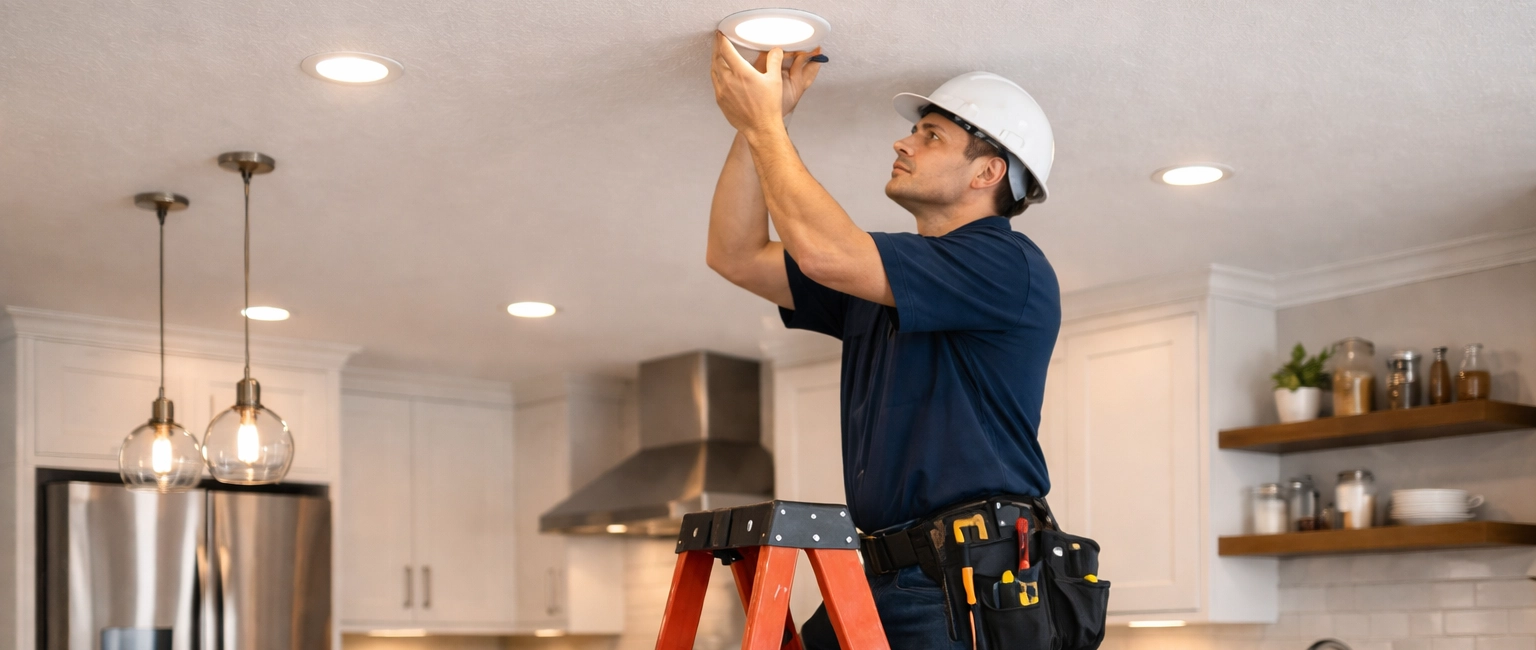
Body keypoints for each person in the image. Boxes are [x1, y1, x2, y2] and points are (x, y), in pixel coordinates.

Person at [705, 32, 1061, 650]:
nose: (903, 141)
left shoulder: (1007, 265)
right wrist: (756, 126)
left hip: (966, 580)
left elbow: (826, 252)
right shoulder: (883, 280)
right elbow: (734, 255)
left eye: (931, 136)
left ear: (988, 172)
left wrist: (766, 126)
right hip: (883, 573)